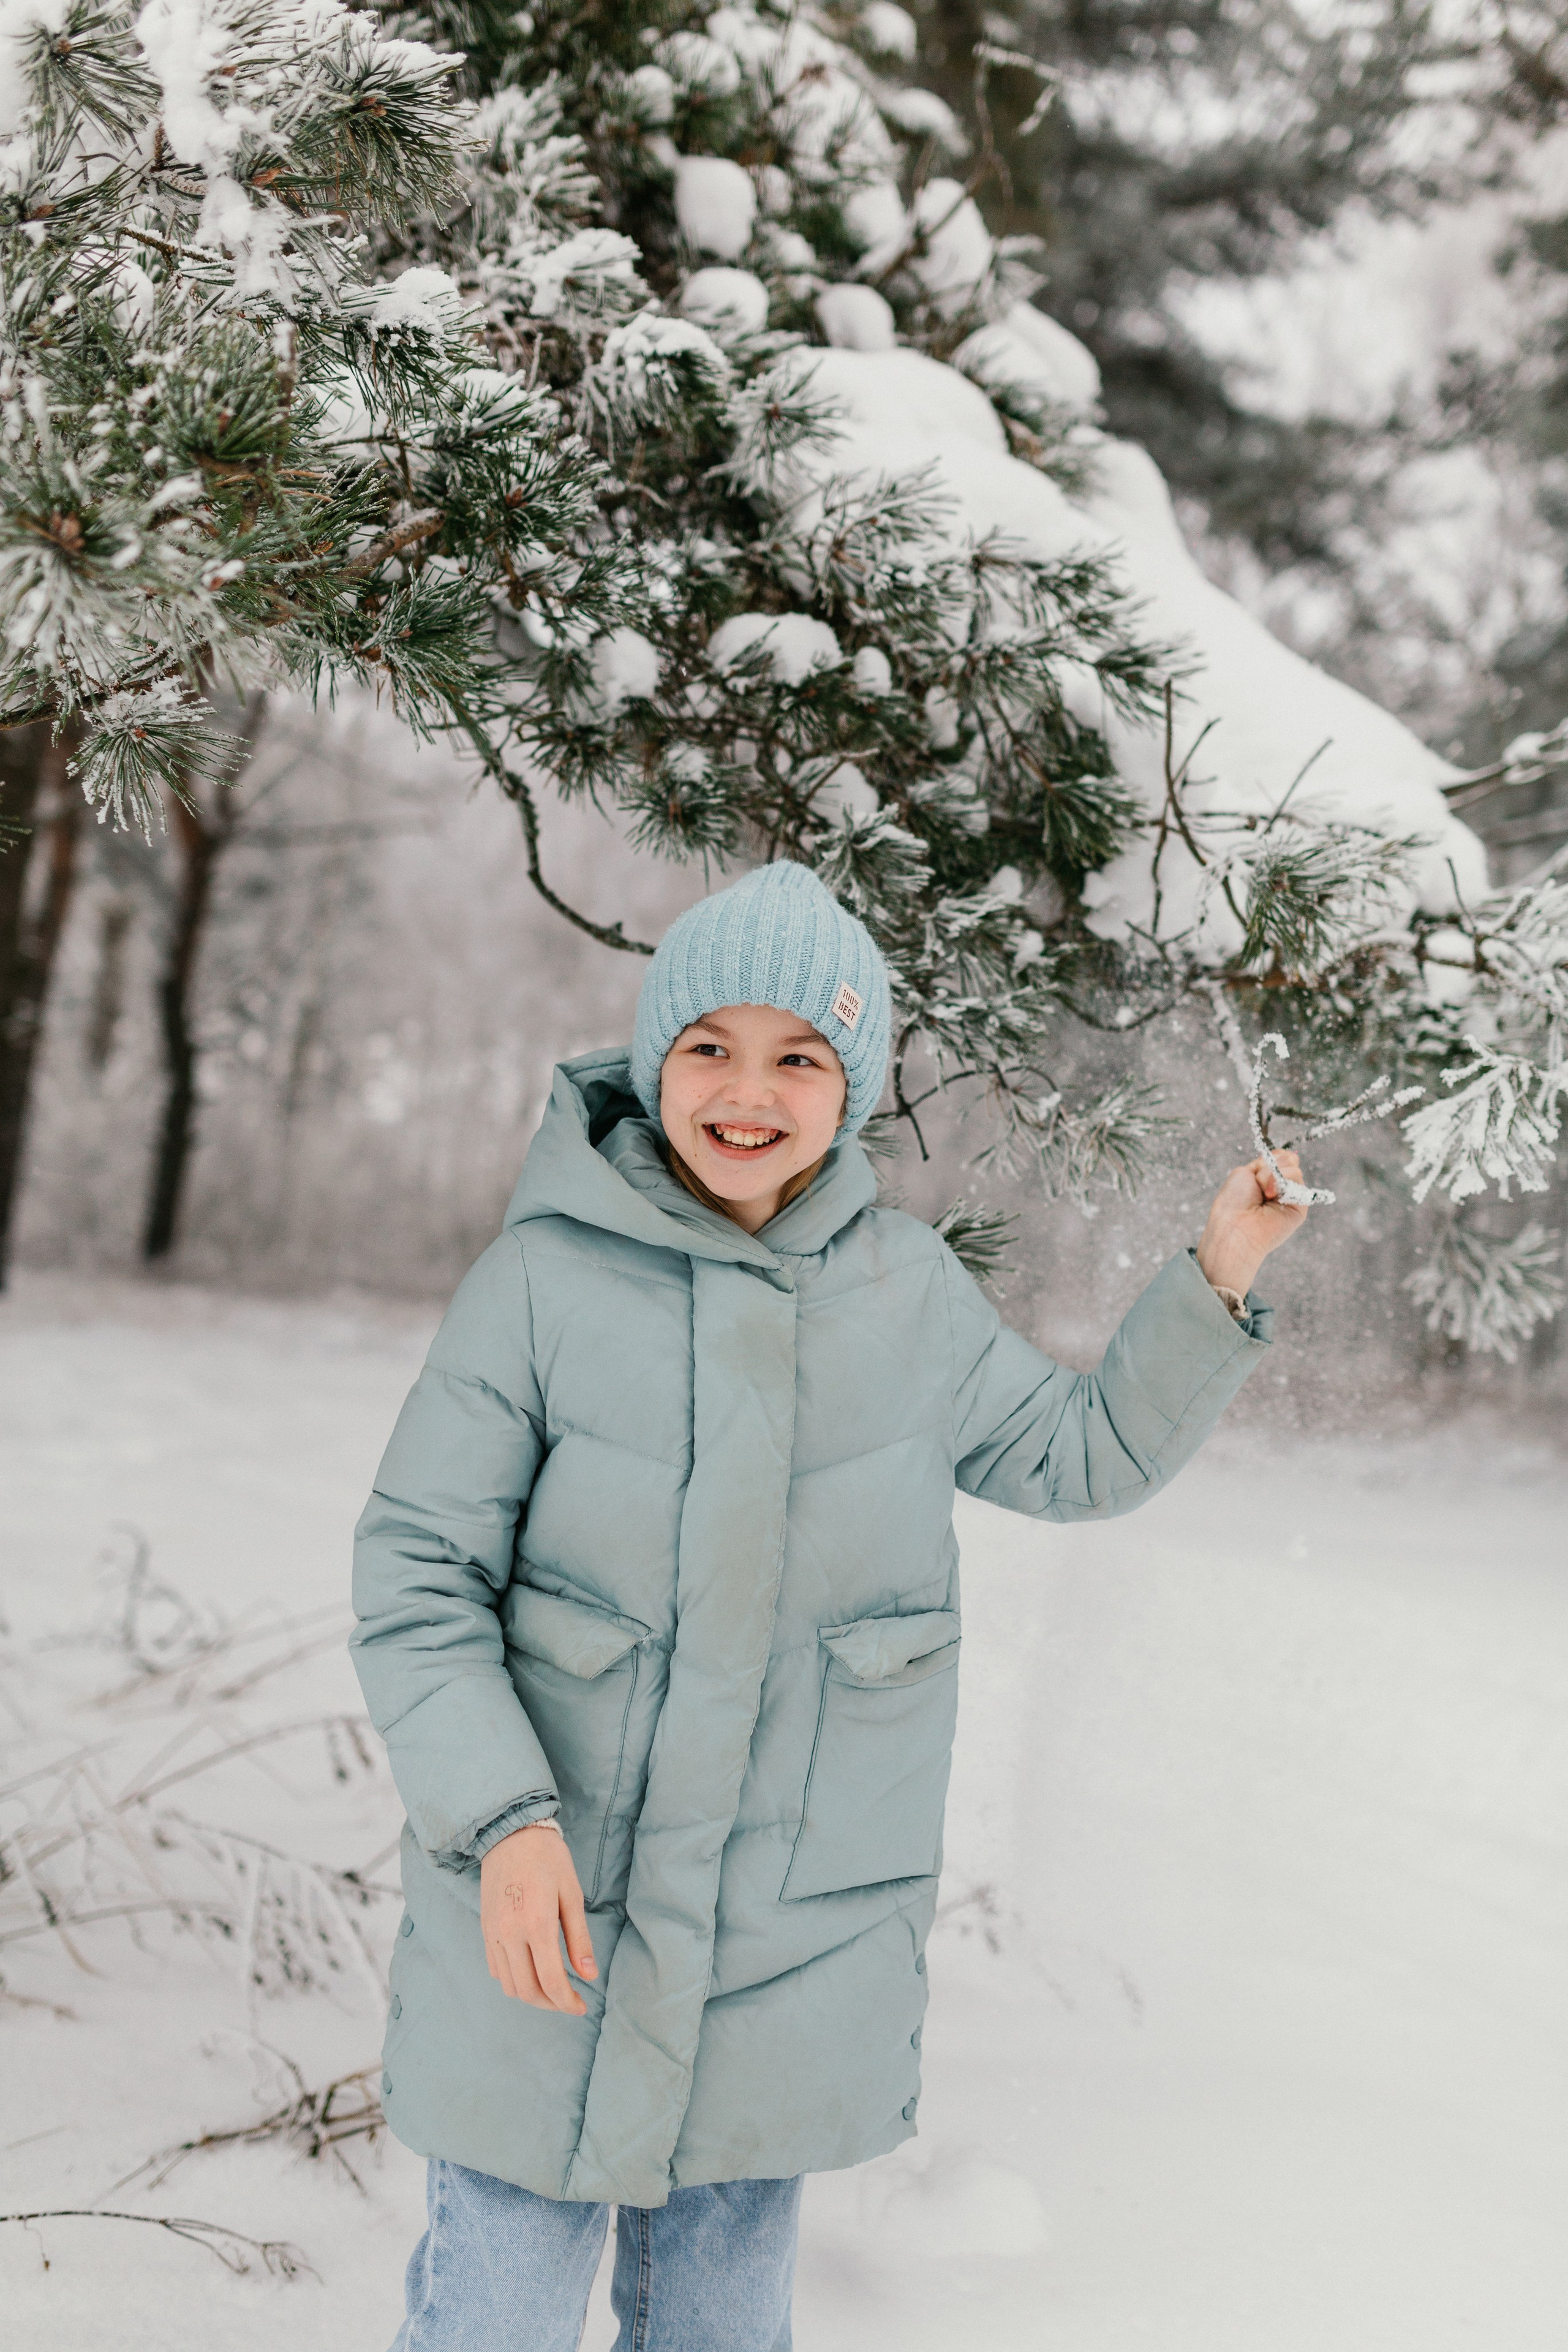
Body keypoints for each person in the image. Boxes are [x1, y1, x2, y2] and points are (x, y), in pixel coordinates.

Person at [351, 859, 1308, 2351]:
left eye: (799, 1055)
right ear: (656, 1057)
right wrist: (501, 1824)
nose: (749, 1090)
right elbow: (417, 1576)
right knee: (498, 2311)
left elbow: (1079, 1456)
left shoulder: (902, 1293)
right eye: (709, 1046)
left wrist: (1214, 1276)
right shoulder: (540, 1283)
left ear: (850, 1084)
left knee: (725, 2321)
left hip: (783, 1938)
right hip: (549, 1915)